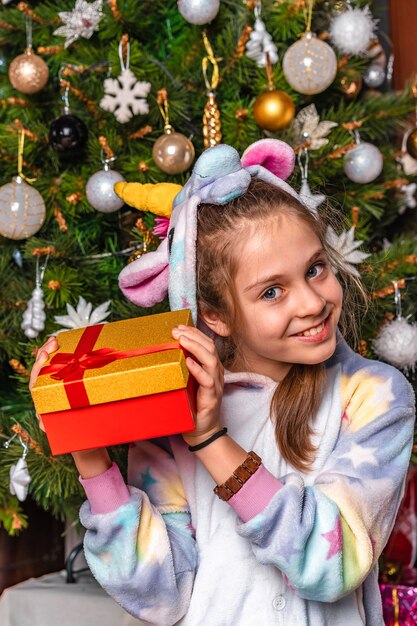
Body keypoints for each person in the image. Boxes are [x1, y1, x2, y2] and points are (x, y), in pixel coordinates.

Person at [30, 139, 415, 626]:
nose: (312, 303)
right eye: (272, 291)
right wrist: (89, 451)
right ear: (217, 316)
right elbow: (159, 596)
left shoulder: (374, 395)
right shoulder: (171, 405)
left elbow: (331, 566)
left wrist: (210, 439)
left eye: (315, 269)